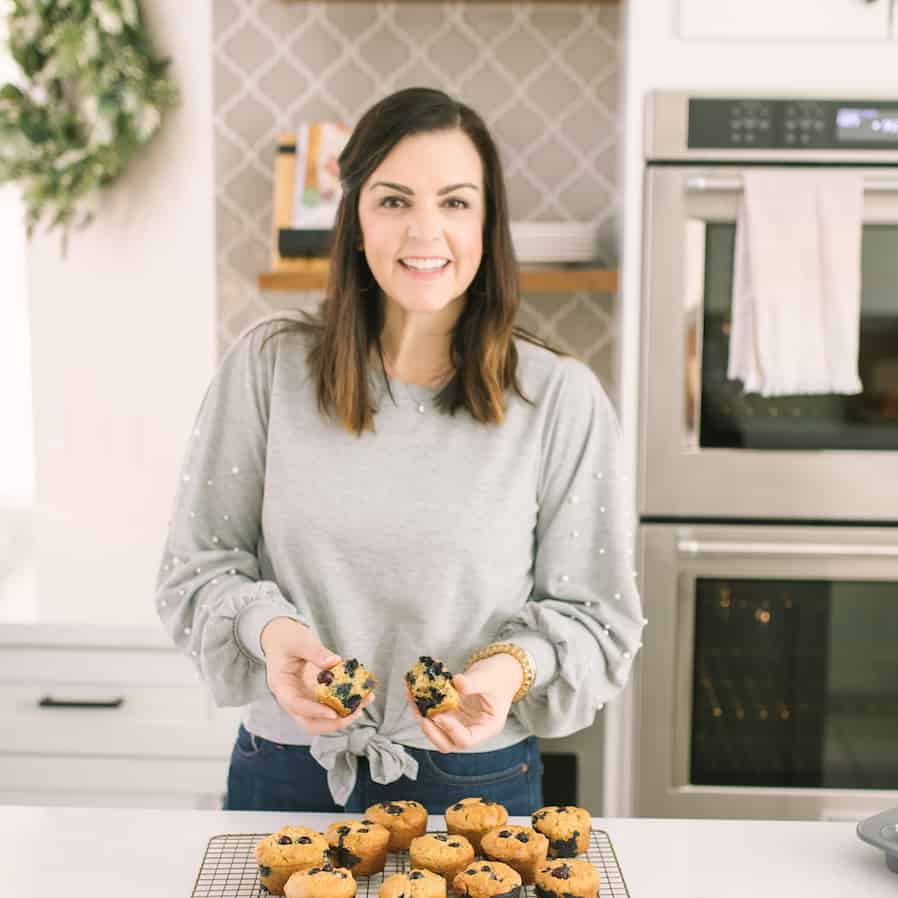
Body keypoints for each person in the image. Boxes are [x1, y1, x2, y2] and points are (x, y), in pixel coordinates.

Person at [154, 87, 644, 815]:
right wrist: (273, 634)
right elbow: (197, 569)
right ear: (354, 221)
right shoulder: (266, 368)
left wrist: (505, 671)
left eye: (454, 202)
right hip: (285, 773)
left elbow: (596, 619)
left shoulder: (561, 399)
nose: (425, 232)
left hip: (477, 784)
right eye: (393, 201)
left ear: (487, 225)